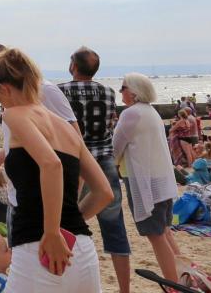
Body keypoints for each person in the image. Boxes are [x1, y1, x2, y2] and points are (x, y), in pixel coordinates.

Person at [0, 48, 111, 290]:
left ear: (4, 88)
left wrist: (52, 232)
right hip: (81, 249)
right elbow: (104, 192)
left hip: (38, 247)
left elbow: (51, 164)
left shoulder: (15, 115)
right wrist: (68, 223)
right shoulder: (66, 128)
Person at [59, 46, 132, 293]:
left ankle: (65, 280)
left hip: (74, 163)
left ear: (74, 67)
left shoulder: (61, 91)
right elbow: (111, 124)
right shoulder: (109, 92)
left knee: (65, 223)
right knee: (115, 227)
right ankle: (124, 289)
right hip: (104, 160)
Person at [114, 73, 183, 284]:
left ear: (133, 91)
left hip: (145, 180)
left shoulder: (131, 113)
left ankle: (174, 284)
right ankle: (184, 275)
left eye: (123, 87)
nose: (120, 92)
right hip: (161, 177)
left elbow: (115, 148)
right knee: (164, 231)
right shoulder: (151, 112)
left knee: (156, 235)